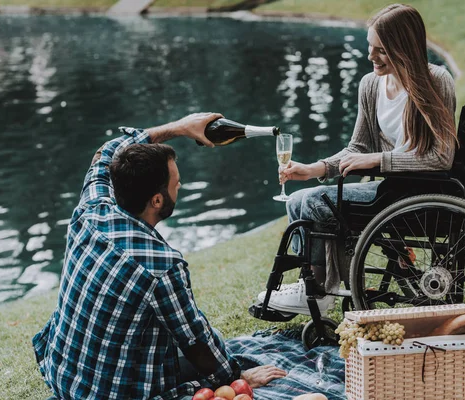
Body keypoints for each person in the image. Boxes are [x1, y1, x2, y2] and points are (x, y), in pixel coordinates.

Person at [32, 113, 287, 400]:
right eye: (176, 182)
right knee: (198, 357)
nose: (180, 185)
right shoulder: (161, 265)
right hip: (110, 393)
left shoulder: (90, 209)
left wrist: (180, 127)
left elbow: (105, 153)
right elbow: (196, 342)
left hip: (62, 376)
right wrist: (237, 378)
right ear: (157, 200)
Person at [258, 3, 457, 315]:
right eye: (370, 46)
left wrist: (380, 161)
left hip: (420, 194)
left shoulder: (437, 82)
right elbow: (358, 148)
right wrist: (315, 169)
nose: (371, 57)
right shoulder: (371, 85)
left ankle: (323, 290)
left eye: (381, 50)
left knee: (313, 203)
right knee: (296, 200)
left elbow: (442, 158)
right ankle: (312, 283)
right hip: (391, 189)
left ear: (403, 48)